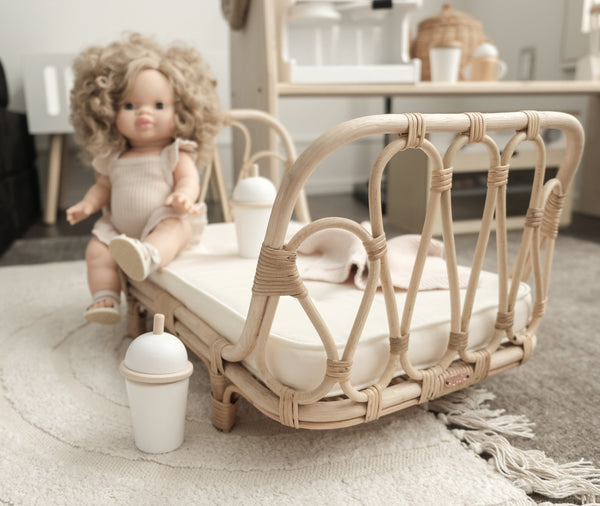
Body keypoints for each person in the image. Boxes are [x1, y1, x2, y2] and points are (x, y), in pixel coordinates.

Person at [66, 33, 222, 324]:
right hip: (119, 229)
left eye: (159, 105)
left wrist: (183, 195)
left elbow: (189, 179)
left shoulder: (174, 152)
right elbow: (103, 187)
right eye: (129, 106)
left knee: (174, 228)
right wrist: (87, 205)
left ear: (182, 112)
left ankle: (149, 255)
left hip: (162, 218)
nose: (144, 113)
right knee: (97, 251)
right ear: (107, 112)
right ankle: (105, 297)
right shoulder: (114, 157)